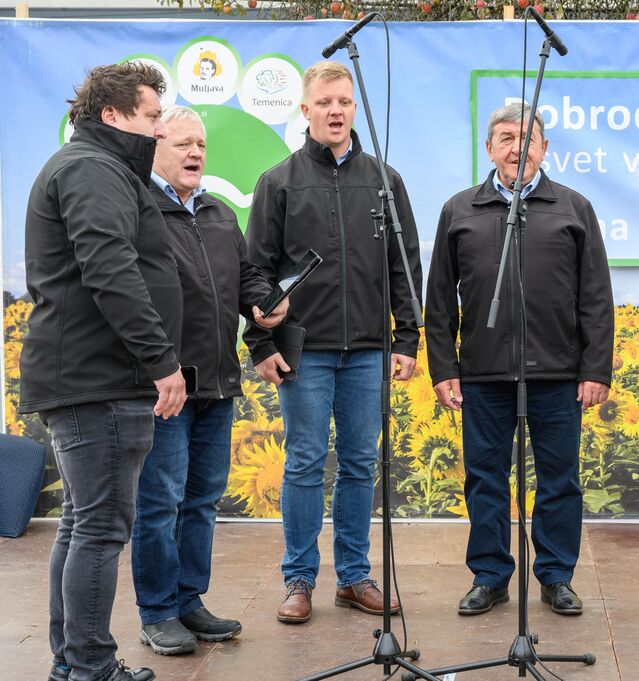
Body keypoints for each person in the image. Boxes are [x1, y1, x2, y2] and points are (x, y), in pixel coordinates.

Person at [20, 62, 187, 681]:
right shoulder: (94, 168)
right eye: (151, 116)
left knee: (82, 523)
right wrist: (161, 361)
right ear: (112, 115)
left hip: (90, 375)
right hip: (100, 379)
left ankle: (72, 663)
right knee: (98, 528)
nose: (160, 129)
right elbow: (109, 268)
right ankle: (91, 667)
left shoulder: (94, 165)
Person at [245, 60, 422, 624]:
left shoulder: (385, 180)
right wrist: (261, 345)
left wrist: (407, 338)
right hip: (305, 351)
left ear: (353, 107)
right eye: (324, 102)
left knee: (360, 462)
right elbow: (255, 272)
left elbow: (404, 266)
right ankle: (299, 580)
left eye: (344, 101)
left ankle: (353, 577)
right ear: (306, 110)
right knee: (303, 462)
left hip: (369, 349)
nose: (336, 111)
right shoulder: (278, 182)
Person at [426, 103, 614, 616]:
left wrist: (596, 368)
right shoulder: (459, 209)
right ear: (489, 148)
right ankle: (489, 576)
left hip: (558, 374)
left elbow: (596, 296)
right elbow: (439, 299)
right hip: (483, 374)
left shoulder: (574, 208)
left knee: (560, 480)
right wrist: (443, 369)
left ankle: (556, 576)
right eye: (506, 138)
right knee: (485, 479)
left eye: (527, 138)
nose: (517, 148)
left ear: (544, 148)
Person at [131, 106, 288, 656]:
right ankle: (157, 612)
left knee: (200, 501)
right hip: (166, 385)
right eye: (183, 144)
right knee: (160, 503)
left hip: (218, 382)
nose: (196, 153)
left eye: (200, 144)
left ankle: (188, 600)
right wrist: (159, 368)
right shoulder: (139, 208)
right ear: (155, 147)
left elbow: (245, 277)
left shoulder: (218, 211)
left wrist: (265, 301)